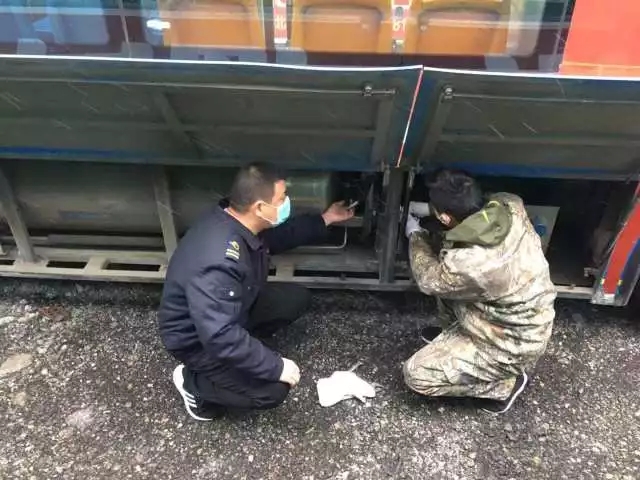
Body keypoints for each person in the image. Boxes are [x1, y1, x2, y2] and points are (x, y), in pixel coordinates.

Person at [158, 162, 354, 421]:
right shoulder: (219, 261)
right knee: (272, 390)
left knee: (294, 299)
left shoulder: (235, 219)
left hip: (229, 309)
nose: (286, 203)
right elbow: (219, 336)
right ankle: (191, 382)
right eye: (282, 198)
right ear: (260, 208)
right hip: (198, 341)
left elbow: (279, 237)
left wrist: (326, 219)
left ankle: (243, 350)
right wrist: (275, 366)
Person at [402, 169, 557, 414]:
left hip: (510, 345)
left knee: (416, 375)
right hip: (518, 317)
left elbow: (429, 280)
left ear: (445, 218)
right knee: (452, 286)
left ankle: (504, 386)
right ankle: (454, 338)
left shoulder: (469, 263)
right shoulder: (510, 204)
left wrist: (416, 235)